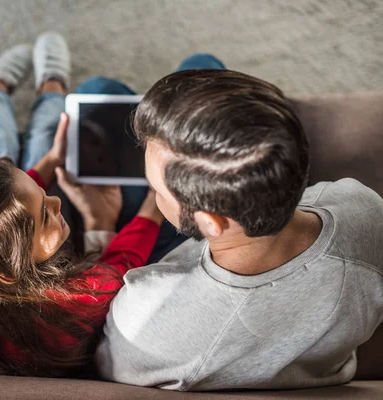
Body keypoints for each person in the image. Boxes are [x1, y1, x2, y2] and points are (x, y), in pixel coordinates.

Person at [94, 58, 383, 390]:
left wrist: (99, 225)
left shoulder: (146, 321)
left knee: (100, 91)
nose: (153, 195)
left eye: (156, 190)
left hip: (167, 272)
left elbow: (92, 355)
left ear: (210, 223)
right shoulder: (364, 210)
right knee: (202, 66)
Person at [0, 32, 164, 377]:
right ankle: (46, 87)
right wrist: (157, 199)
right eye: (46, 214)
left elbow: (13, 205)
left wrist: (47, 163)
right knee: (18, 140)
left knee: (4, 150)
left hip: (7, 233)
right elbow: (121, 263)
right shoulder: (80, 300)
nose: (57, 198)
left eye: (43, 194)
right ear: (9, 271)